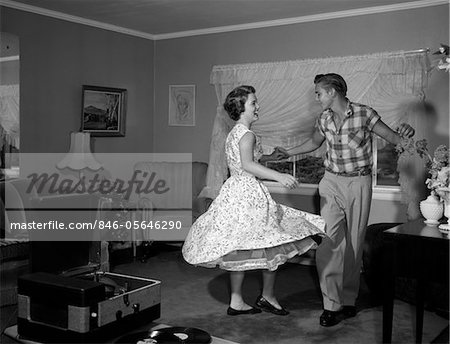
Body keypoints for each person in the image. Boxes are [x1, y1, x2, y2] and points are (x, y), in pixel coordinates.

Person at [182, 85, 325, 316]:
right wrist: (279, 176)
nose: (258, 106)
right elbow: (247, 165)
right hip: (248, 194)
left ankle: (236, 301)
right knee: (269, 242)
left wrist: (270, 158)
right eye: (253, 103)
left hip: (235, 192)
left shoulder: (235, 133)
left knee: (240, 246)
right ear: (241, 108)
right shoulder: (247, 134)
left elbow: (244, 160)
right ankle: (267, 297)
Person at [285, 73, 415, 326]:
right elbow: (313, 143)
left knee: (354, 244)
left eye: (318, 93)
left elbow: (395, 139)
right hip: (331, 181)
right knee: (330, 241)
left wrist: (408, 131)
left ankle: (347, 301)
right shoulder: (323, 118)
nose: (316, 97)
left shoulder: (365, 114)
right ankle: (330, 305)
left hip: (359, 182)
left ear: (333, 91)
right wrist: (285, 152)